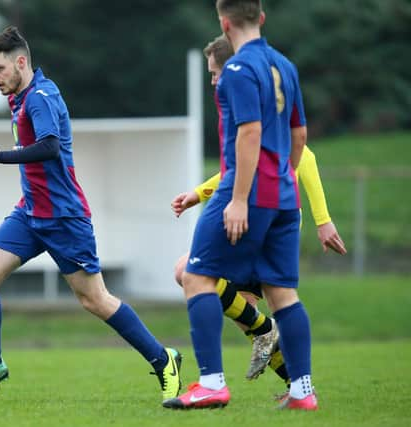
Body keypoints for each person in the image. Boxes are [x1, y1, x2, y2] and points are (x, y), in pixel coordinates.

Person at [0, 26, 181, 403]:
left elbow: (49, 147)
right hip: (30, 213)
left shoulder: (40, 98)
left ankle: (164, 359)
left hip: (64, 218)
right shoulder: (19, 95)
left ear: (21, 62)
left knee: (94, 299)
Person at [162, 0, 318, 411]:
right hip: (285, 195)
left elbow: (248, 133)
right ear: (262, 18)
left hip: (248, 191)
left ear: (224, 22)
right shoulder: (285, 66)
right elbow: (299, 133)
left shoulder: (236, 69)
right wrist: (282, 178)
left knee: (195, 276)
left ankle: (212, 383)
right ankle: (303, 392)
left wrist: (239, 199)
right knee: (284, 294)